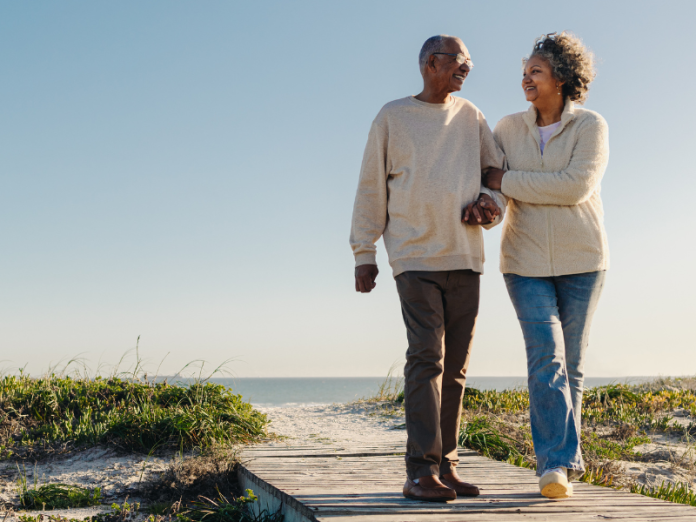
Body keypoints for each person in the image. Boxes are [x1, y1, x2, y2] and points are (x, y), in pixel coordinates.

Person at [350, 34, 506, 502]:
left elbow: (495, 173)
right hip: (414, 259)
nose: (467, 68)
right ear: (431, 63)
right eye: (460, 61)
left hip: (465, 256)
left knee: (454, 368)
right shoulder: (393, 116)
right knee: (427, 359)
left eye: (469, 62)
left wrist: (489, 202)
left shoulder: (471, 116)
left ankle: (446, 466)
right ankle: (419, 471)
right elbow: (370, 187)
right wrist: (364, 253)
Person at [484, 32, 609, 499]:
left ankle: (565, 464)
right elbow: (493, 186)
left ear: (562, 76)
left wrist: (509, 180)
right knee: (546, 358)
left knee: (571, 365)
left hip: (584, 260)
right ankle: (554, 465)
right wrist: (490, 199)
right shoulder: (506, 128)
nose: (525, 79)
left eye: (535, 71)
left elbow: (573, 187)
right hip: (524, 260)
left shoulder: (591, 126)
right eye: (524, 72)